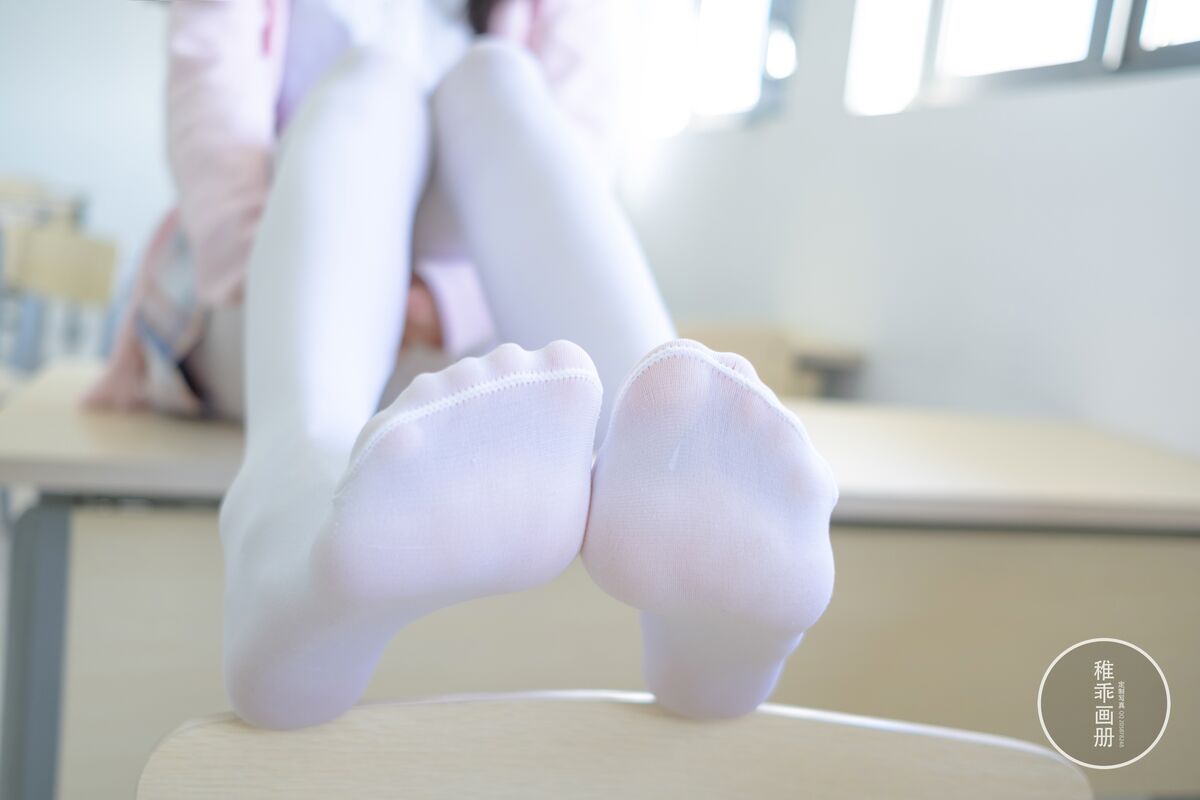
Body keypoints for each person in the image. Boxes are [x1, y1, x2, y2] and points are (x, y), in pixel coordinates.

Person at [87, 0, 838, 728]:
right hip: (264, 311)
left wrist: (441, 304)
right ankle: (287, 511)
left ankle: (676, 473)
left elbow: (578, 167)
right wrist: (359, 283)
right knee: (370, 81)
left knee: (497, 78)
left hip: (468, 363)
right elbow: (216, 154)